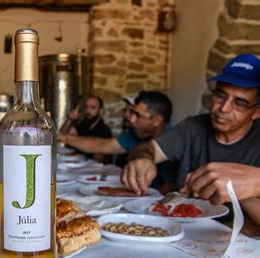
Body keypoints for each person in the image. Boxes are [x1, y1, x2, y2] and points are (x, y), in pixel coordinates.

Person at [122, 54, 260, 234]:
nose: (224, 108)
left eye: (240, 103)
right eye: (220, 95)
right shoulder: (193, 127)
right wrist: (143, 159)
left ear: (257, 112)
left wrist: (245, 189)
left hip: (234, 242)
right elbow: (148, 149)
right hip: (179, 230)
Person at [59, 91, 177, 194]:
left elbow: (169, 188)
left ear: (156, 121)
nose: (131, 119)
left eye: (137, 115)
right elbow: (103, 145)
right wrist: (64, 137)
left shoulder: (172, 140)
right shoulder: (135, 133)